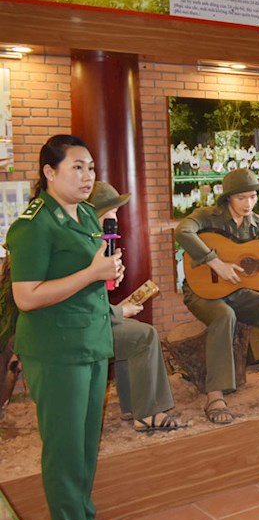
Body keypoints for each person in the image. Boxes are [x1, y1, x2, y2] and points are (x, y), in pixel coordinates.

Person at [6, 134, 126, 520]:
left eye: (90, 167)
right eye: (77, 167)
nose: (87, 175)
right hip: (55, 351)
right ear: (49, 172)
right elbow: (27, 296)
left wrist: (109, 271)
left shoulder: (89, 216)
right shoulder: (33, 226)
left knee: (84, 442)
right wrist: (93, 272)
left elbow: (94, 276)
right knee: (64, 448)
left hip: (90, 342)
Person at [174, 168, 259, 426]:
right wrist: (215, 263)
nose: (249, 203)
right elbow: (183, 232)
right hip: (201, 293)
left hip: (238, 293)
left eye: (252, 197)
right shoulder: (207, 217)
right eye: (242, 198)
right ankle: (214, 395)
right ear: (228, 198)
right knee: (224, 315)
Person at [88, 182, 183, 433]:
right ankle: (148, 412)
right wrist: (119, 311)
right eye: (110, 215)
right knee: (144, 335)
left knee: (133, 330)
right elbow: (81, 303)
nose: (114, 221)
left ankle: (131, 406)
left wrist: (116, 303)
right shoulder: (87, 248)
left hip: (91, 320)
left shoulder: (98, 245)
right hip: (82, 328)